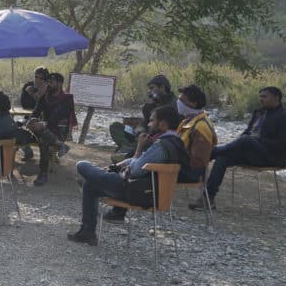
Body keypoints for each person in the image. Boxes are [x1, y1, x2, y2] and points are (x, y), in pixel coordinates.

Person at [68, 105, 187, 245]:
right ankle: (87, 232)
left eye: (152, 121)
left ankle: (96, 178)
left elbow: (135, 170)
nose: (148, 124)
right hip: (149, 192)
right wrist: (117, 166)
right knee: (90, 185)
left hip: (137, 191)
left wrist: (139, 148)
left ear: (162, 123)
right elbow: (141, 161)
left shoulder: (161, 146)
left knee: (82, 165)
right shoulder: (173, 142)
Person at [105, 84, 217, 223]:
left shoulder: (201, 126)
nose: (179, 103)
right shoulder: (189, 120)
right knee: (139, 156)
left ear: (193, 103)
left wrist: (171, 159)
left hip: (187, 171)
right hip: (179, 164)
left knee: (141, 166)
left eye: (182, 100)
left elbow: (199, 161)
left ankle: (116, 197)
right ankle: (114, 193)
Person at [191, 86, 286, 212]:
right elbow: (247, 132)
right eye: (260, 96)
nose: (261, 99)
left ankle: (210, 153)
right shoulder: (259, 113)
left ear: (276, 98)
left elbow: (283, 144)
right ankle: (208, 199)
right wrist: (247, 141)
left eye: (264, 96)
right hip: (252, 153)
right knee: (222, 158)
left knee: (246, 140)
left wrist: (255, 141)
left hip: (273, 156)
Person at [109, 74, 177, 158]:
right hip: (142, 136)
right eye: (149, 89)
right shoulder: (150, 106)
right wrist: (139, 130)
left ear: (162, 87)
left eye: (152, 88)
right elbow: (144, 123)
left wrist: (145, 136)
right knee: (115, 126)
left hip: (154, 139)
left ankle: (131, 150)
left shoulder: (173, 105)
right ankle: (128, 147)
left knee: (116, 158)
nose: (149, 91)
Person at [27, 72, 77, 186]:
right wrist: (33, 119)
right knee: (31, 126)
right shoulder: (44, 97)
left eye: (51, 82)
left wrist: (44, 124)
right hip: (45, 129)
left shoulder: (67, 99)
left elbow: (59, 117)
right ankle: (60, 146)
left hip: (59, 131)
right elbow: (35, 112)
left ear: (59, 83)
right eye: (48, 81)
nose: (48, 84)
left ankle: (43, 174)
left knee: (43, 140)